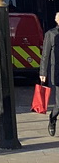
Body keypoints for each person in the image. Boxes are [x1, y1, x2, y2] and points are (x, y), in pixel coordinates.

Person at [40, 9, 59, 137]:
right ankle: (52, 119)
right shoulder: (51, 34)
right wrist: (43, 72)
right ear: (56, 20)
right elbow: (45, 55)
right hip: (57, 72)